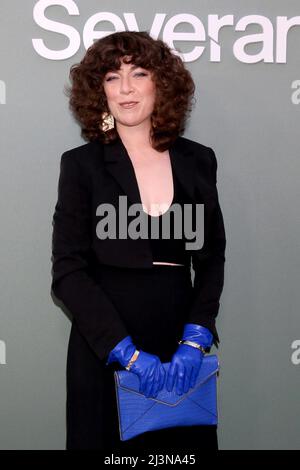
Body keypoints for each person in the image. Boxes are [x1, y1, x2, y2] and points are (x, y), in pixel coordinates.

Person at [51, 31, 226, 451]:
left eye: (139, 73)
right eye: (112, 77)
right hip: (105, 347)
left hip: (179, 346)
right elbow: (68, 271)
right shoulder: (81, 166)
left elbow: (212, 258)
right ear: (100, 91)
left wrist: (196, 336)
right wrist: (124, 351)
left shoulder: (198, 160)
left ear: (160, 84)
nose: (126, 88)